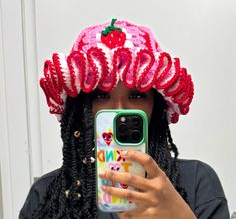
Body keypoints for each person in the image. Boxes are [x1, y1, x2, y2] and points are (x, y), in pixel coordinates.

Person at [19, 19, 230, 219]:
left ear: (156, 107)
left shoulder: (196, 182)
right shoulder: (47, 196)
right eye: (100, 96)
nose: (119, 110)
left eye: (137, 96)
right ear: (79, 107)